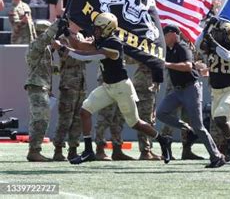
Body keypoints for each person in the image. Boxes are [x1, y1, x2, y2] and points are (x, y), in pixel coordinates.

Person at [51, 13, 172, 164]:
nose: (95, 31)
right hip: (108, 86)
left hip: (121, 88)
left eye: (98, 28)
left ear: (107, 29)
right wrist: (68, 34)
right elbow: (80, 46)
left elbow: (86, 56)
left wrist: (63, 48)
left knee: (135, 123)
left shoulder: (113, 43)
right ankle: (89, 151)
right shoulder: (103, 39)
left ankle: (163, 140)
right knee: (84, 111)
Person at [156, 24, 227, 169]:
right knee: (161, 113)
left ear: (174, 34)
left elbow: (188, 66)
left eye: (166, 34)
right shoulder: (167, 49)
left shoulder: (182, 47)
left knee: (199, 126)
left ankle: (217, 156)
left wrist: (167, 64)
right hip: (177, 91)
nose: (164, 37)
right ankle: (186, 127)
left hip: (191, 89)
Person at [197, 19, 230, 170]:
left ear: (228, 34)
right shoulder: (212, 44)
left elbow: (229, 56)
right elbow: (198, 45)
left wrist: (213, 43)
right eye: (215, 33)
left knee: (220, 117)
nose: (215, 35)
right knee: (218, 125)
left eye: (219, 33)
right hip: (215, 91)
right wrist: (205, 29)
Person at [24, 20, 60, 161]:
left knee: (41, 119)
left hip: (42, 87)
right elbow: (45, 38)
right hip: (37, 86)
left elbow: (45, 68)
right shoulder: (36, 45)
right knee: (40, 120)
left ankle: (35, 150)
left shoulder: (45, 49)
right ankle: (34, 151)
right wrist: (57, 24)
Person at [52, 32, 88, 161]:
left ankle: (73, 149)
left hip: (81, 84)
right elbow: (70, 58)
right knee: (65, 119)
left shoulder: (80, 37)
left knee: (78, 119)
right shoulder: (63, 38)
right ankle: (58, 149)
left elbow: (88, 58)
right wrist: (82, 48)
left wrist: (85, 46)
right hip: (68, 84)